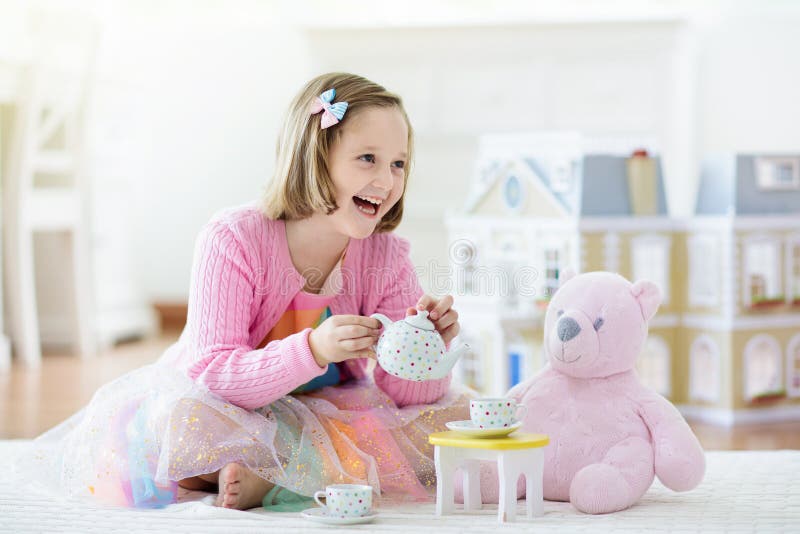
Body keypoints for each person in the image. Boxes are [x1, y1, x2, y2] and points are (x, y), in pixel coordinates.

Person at [25, 72, 470, 511]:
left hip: (329, 409)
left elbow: (406, 397)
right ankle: (285, 473)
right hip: (230, 402)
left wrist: (426, 349)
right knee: (180, 426)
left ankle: (273, 478)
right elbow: (212, 370)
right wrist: (313, 349)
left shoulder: (386, 256)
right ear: (314, 157)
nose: (388, 182)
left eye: (398, 163)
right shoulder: (233, 239)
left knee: (448, 420)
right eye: (367, 159)